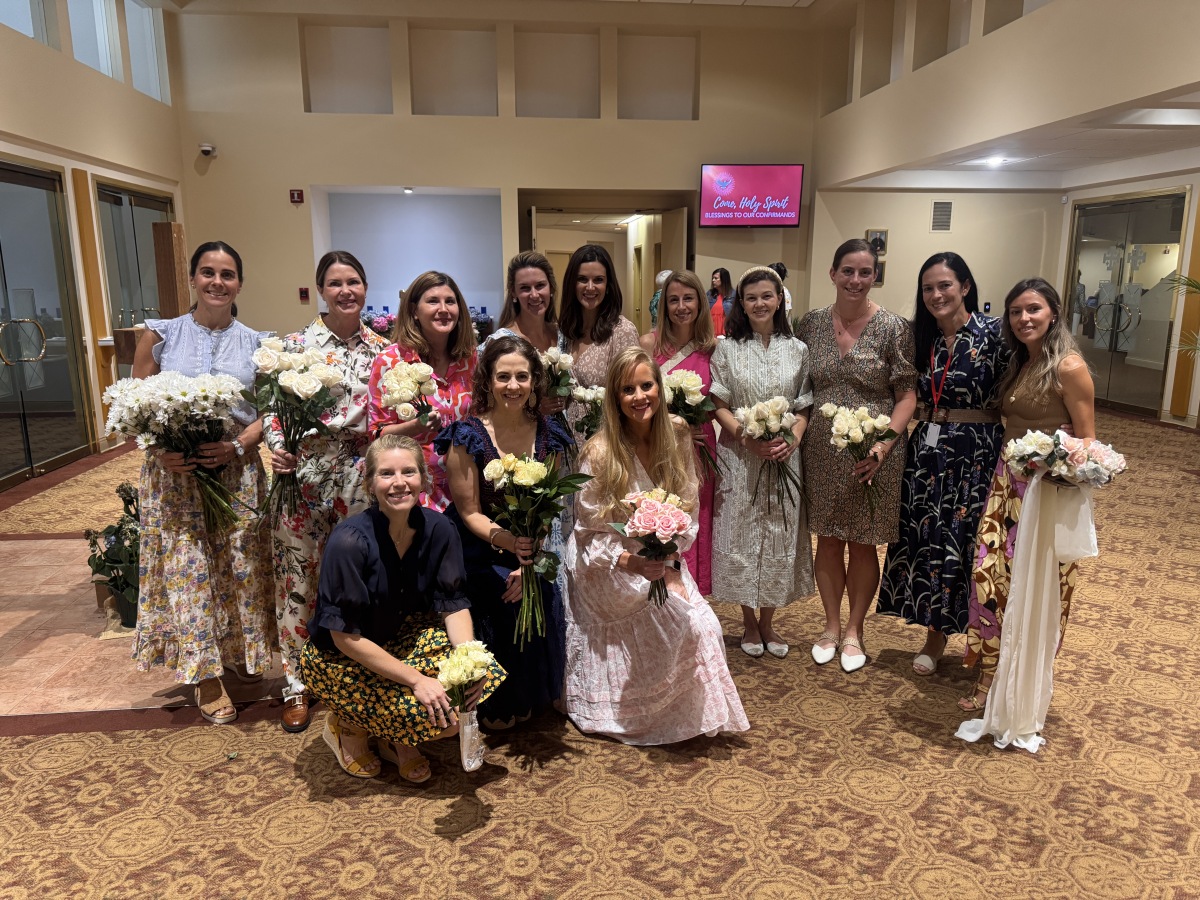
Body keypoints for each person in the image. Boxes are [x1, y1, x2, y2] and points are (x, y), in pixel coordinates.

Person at [562, 346, 749, 745]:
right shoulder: (598, 451)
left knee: (703, 625)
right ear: (615, 398)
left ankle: (685, 711)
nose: (639, 396)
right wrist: (630, 560)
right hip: (607, 566)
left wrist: (666, 558)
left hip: (659, 559)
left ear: (659, 388)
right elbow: (587, 534)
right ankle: (640, 713)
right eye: (627, 389)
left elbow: (687, 506)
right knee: (673, 621)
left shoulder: (678, 432)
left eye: (646, 385)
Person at [300, 434, 506, 781]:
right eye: (386, 474)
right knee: (425, 708)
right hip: (341, 655)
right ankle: (347, 726)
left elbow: (453, 603)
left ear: (424, 479)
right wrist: (417, 680)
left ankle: (391, 736)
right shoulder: (349, 542)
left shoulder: (440, 528)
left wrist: (467, 658)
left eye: (409, 472)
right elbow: (343, 637)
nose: (399, 483)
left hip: (400, 637)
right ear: (369, 483)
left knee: (471, 688)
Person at [130, 241, 275, 725]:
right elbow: (134, 406)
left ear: (239, 283)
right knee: (188, 567)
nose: (217, 282)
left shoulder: (257, 343)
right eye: (208, 272)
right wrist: (159, 449)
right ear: (192, 278)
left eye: (228, 274)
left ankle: (239, 656)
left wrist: (240, 445)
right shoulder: (160, 335)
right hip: (176, 477)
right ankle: (204, 674)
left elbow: (270, 411)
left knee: (239, 565)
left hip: (234, 469)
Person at [958, 278, 1095, 717]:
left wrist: (1051, 471)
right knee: (989, 579)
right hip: (1006, 487)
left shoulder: (1068, 366)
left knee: (1038, 589)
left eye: (1033, 309)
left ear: (1053, 312)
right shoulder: (1021, 362)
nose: (1023, 319)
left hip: (1045, 494)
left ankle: (1019, 682)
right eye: (1016, 311)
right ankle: (991, 670)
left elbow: (1088, 442)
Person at [266, 251, 390, 733]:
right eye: (335, 283)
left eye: (354, 281)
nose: (346, 291)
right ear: (320, 289)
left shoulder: (382, 350)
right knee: (297, 576)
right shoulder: (294, 347)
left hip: (360, 475)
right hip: (302, 475)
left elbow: (388, 413)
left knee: (356, 577)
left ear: (365, 287)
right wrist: (279, 450)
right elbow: (273, 410)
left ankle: (356, 670)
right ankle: (297, 682)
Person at [877, 253, 1009, 675]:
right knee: (928, 540)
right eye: (928, 288)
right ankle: (934, 636)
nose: (936, 295)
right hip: (928, 452)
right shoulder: (921, 339)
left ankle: (983, 637)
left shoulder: (996, 335)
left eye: (945, 285)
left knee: (970, 543)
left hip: (975, 453)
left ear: (965, 287)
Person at [435, 336, 573, 729]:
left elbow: (547, 507)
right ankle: (494, 702)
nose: (513, 385)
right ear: (487, 382)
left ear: (535, 382)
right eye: (503, 377)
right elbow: (469, 512)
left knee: (540, 589)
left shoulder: (550, 435)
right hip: (477, 544)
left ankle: (529, 692)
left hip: (529, 543)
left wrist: (528, 560)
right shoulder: (468, 435)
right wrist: (511, 545)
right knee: (502, 593)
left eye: (522, 377)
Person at [796, 239, 917, 673]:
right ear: (832, 273)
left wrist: (885, 444)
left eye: (865, 272)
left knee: (864, 544)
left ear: (874, 277)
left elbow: (906, 395)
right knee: (828, 538)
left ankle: (854, 630)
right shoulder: (809, 325)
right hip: (823, 450)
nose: (855, 280)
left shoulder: (894, 327)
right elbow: (800, 388)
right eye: (847, 271)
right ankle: (830, 626)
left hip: (874, 451)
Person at [710, 266, 814, 657]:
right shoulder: (727, 348)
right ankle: (747, 621)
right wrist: (746, 438)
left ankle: (768, 621)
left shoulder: (798, 349)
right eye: (751, 297)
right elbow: (717, 404)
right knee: (740, 532)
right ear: (741, 302)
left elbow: (804, 406)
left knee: (778, 533)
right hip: (740, 456)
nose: (759, 304)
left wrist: (793, 439)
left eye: (767, 296)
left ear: (779, 299)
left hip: (784, 456)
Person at [368, 271, 477, 512]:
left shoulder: (471, 359)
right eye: (432, 301)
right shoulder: (390, 361)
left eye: (450, 301)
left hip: (467, 486)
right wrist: (415, 427)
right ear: (414, 311)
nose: (443, 309)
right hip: (414, 491)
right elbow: (376, 435)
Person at [639, 270, 718, 596]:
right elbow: (638, 397)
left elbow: (721, 400)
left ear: (700, 301)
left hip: (699, 449)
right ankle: (660, 598)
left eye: (688, 298)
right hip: (658, 448)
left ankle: (692, 598)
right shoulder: (649, 343)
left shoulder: (713, 348)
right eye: (674, 300)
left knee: (695, 520)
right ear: (664, 304)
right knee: (661, 519)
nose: (682, 306)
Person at [559, 244, 639, 433]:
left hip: (605, 440)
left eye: (598, 280)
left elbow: (633, 396)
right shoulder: (565, 331)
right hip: (566, 441)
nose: (590, 287)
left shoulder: (622, 331)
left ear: (608, 285)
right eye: (582, 279)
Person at [484, 251, 567, 418]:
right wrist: (533, 405)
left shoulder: (563, 336)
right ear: (513, 293)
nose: (534, 294)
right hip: (520, 436)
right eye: (525, 288)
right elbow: (487, 399)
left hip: (562, 435)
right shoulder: (500, 341)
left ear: (551, 288)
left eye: (540, 285)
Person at [707, 268, 732, 337]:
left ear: (724, 279)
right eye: (713, 278)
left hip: (726, 330)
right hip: (711, 328)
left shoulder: (733, 295)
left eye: (716, 278)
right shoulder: (710, 294)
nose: (713, 280)